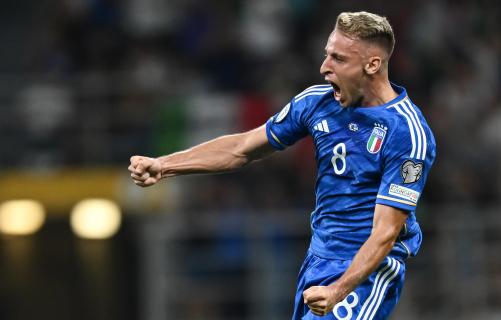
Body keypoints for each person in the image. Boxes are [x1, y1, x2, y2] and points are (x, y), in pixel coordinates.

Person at [129, 11, 436, 320]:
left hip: (367, 272)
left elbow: (385, 233)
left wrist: (339, 290)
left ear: (372, 64)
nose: (324, 67)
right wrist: (165, 165)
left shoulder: (407, 133)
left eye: (339, 59)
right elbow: (241, 148)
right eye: (327, 54)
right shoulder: (317, 103)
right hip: (319, 261)